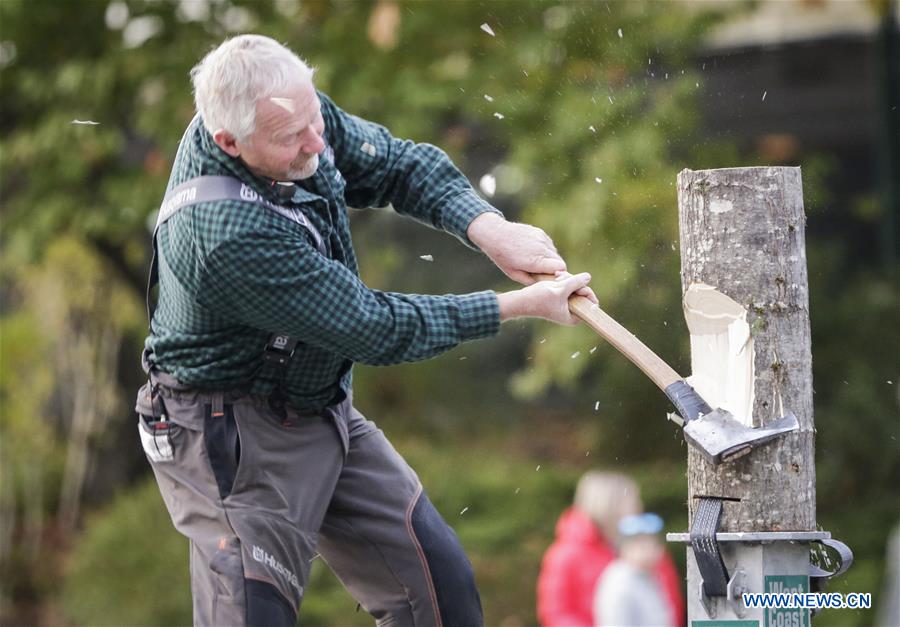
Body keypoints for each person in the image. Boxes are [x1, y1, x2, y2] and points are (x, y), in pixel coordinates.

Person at [135, 34, 597, 627]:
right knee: (254, 614)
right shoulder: (224, 234)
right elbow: (373, 327)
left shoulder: (291, 111)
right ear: (229, 140)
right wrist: (517, 306)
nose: (316, 143)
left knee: (439, 591)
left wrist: (488, 229)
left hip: (317, 403)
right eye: (291, 139)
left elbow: (401, 165)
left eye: (313, 120)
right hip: (227, 434)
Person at [536, 471, 684, 627]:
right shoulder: (566, 555)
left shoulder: (650, 549)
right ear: (607, 505)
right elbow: (557, 614)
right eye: (631, 501)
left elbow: (670, 603)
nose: (639, 507)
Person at [593, 513, 673, 627]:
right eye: (641, 543)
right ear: (624, 546)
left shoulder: (649, 577)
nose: (651, 549)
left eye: (654, 542)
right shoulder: (619, 583)